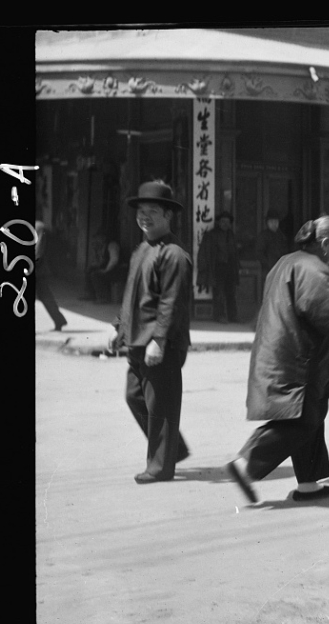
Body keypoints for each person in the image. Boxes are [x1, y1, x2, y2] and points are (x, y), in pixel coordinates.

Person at [226, 216, 329, 504]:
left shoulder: (288, 261)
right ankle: (247, 464)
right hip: (298, 356)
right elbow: (327, 309)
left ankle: (308, 483)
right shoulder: (313, 268)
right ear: (323, 244)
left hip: (281, 349)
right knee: (303, 419)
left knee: (311, 416)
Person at [107, 181, 192, 484]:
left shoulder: (174, 255)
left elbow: (172, 302)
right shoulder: (142, 249)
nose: (144, 217)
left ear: (168, 215)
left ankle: (160, 467)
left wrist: (160, 340)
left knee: (161, 404)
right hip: (136, 339)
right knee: (135, 396)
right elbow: (133, 293)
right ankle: (172, 449)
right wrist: (120, 327)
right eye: (141, 212)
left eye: (152, 211)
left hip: (159, 343)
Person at [197, 211, 240, 323]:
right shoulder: (211, 235)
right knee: (219, 293)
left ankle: (233, 316)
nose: (225, 224)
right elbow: (203, 252)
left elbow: (235, 252)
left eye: (227, 222)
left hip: (230, 267)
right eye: (223, 221)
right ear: (219, 222)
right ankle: (219, 316)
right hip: (217, 267)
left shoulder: (231, 235)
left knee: (231, 293)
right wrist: (203, 267)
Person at [33, 220, 67, 331]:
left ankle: (59, 320)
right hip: (37, 268)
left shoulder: (39, 227)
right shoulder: (36, 226)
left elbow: (39, 249)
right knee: (45, 296)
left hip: (37, 268)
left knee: (45, 296)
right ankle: (59, 320)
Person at [87, 231, 127, 304]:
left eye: (98, 238)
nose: (96, 240)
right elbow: (102, 260)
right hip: (110, 269)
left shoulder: (112, 245)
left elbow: (114, 260)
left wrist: (105, 270)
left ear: (103, 238)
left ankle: (103, 298)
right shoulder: (102, 246)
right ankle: (91, 295)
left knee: (96, 275)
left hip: (118, 270)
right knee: (90, 270)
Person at [255, 209, 290, 278]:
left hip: (281, 270)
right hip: (268, 270)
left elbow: (286, 251)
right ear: (267, 223)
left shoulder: (281, 236)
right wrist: (269, 263)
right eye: (271, 221)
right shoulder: (263, 236)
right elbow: (259, 253)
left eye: (276, 221)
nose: (274, 223)